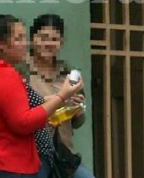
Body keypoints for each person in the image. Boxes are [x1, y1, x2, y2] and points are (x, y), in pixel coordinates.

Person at [0, 14, 83, 178]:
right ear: (1, 44)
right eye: (18, 38)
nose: (25, 44)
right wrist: (61, 96)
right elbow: (23, 122)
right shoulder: (5, 74)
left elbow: (25, 105)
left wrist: (66, 101)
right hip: (12, 164)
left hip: (20, 160)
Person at [29, 14, 95, 178]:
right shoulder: (22, 72)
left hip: (64, 152)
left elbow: (78, 122)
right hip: (33, 152)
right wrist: (57, 99)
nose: (48, 44)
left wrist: (78, 108)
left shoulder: (68, 73)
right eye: (43, 38)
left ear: (61, 43)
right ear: (32, 39)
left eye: (54, 39)